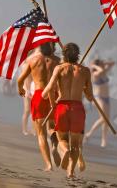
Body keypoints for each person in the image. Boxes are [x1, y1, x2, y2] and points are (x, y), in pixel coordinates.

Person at [42, 43, 93, 178]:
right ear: (78, 55)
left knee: (63, 139)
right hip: (77, 108)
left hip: (62, 107)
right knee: (75, 144)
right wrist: (82, 87)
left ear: (64, 55)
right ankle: (70, 172)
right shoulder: (85, 71)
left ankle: (64, 151)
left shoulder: (59, 69)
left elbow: (50, 89)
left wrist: (52, 103)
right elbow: (90, 96)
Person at [17, 43, 61, 172]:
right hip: (54, 95)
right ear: (53, 48)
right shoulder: (58, 62)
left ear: (40, 48)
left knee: (41, 134)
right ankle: (55, 144)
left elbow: (20, 79)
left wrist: (21, 89)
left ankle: (48, 165)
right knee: (52, 127)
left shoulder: (33, 60)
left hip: (39, 95)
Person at [84, 58, 114, 147]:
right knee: (105, 118)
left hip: (106, 98)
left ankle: (103, 140)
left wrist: (104, 62)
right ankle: (89, 134)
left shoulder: (103, 72)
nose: (103, 64)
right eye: (101, 63)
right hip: (99, 98)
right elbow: (100, 70)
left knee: (106, 120)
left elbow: (112, 63)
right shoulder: (95, 73)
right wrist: (94, 66)